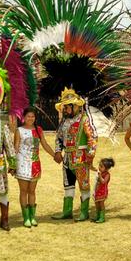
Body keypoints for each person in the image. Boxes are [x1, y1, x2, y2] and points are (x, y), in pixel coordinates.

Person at [52, 87, 98, 222]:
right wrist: (57, 151)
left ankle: (84, 212)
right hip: (66, 158)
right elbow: (59, 138)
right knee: (68, 185)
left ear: (75, 107)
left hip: (81, 158)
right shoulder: (63, 122)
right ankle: (67, 211)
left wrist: (90, 156)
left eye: (67, 107)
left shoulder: (84, 120)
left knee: (84, 185)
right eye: (64, 107)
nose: (65, 110)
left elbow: (92, 138)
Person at [14, 107, 56, 228]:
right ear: (23, 117)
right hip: (22, 164)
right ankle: (26, 217)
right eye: (28, 116)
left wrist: (55, 155)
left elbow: (45, 144)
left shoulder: (38, 130)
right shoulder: (19, 130)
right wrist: (12, 163)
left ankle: (32, 217)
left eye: (32, 116)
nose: (30, 118)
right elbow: (15, 147)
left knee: (32, 191)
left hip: (35, 164)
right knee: (23, 191)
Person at [91, 158, 115, 223]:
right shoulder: (100, 172)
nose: (99, 167)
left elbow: (103, 182)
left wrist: (100, 176)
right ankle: (97, 215)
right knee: (96, 203)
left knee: (101, 203)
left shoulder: (107, 174)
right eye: (99, 165)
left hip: (102, 191)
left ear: (106, 169)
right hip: (97, 190)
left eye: (101, 166)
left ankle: (102, 217)